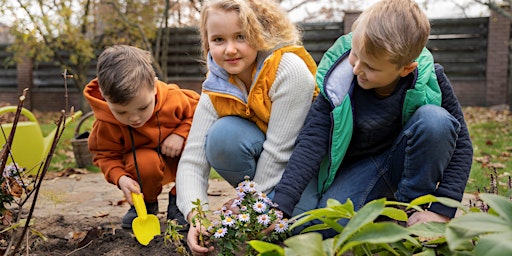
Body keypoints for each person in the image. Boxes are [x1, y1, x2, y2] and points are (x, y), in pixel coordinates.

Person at [272, 0, 473, 238]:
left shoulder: (431, 80)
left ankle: (409, 213)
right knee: (322, 229)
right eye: (355, 55)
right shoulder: (340, 81)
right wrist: (281, 204)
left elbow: (462, 145)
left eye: (371, 67)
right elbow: (312, 140)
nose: (357, 69)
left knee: (436, 120)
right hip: (358, 171)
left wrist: (442, 210)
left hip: (405, 167)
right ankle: (379, 212)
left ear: (405, 69)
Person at [175, 0, 318, 253]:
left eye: (241, 36)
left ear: (259, 32)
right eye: (218, 40)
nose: (230, 50)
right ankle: (263, 211)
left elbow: (280, 153)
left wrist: (248, 208)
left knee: (307, 225)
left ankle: (271, 211)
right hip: (266, 175)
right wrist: (196, 216)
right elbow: (192, 159)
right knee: (223, 137)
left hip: (304, 172)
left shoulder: (288, 70)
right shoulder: (216, 86)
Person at [84, 45, 199, 230]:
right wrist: (120, 177)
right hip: (142, 166)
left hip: (178, 157)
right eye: (122, 112)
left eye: (143, 107)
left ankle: (181, 200)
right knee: (144, 161)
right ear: (105, 98)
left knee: (196, 145)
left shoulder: (175, 99)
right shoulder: (105, 123)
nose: (134, 118)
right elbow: (105, 155)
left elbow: (202, 114)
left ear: (153, 86)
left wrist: (180, 133)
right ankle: (145, 204)